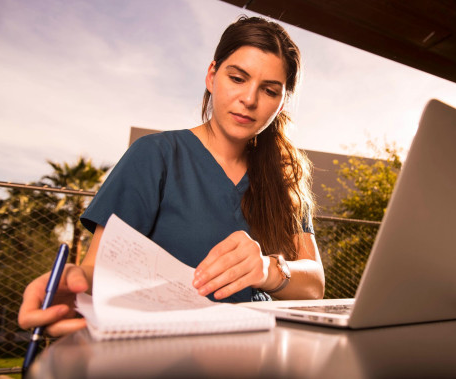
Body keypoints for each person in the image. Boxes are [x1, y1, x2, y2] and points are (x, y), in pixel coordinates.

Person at [18, 16, 325, 337]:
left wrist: (267, 270)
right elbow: (98, 272)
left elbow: (314, 284)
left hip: (265, 349)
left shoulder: (283, 177)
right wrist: (74, 287)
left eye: (269, 90)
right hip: (164, 351)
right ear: (212, 75)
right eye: (237, 78)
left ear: (281, 101)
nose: (249, 99)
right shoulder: (153, 156)